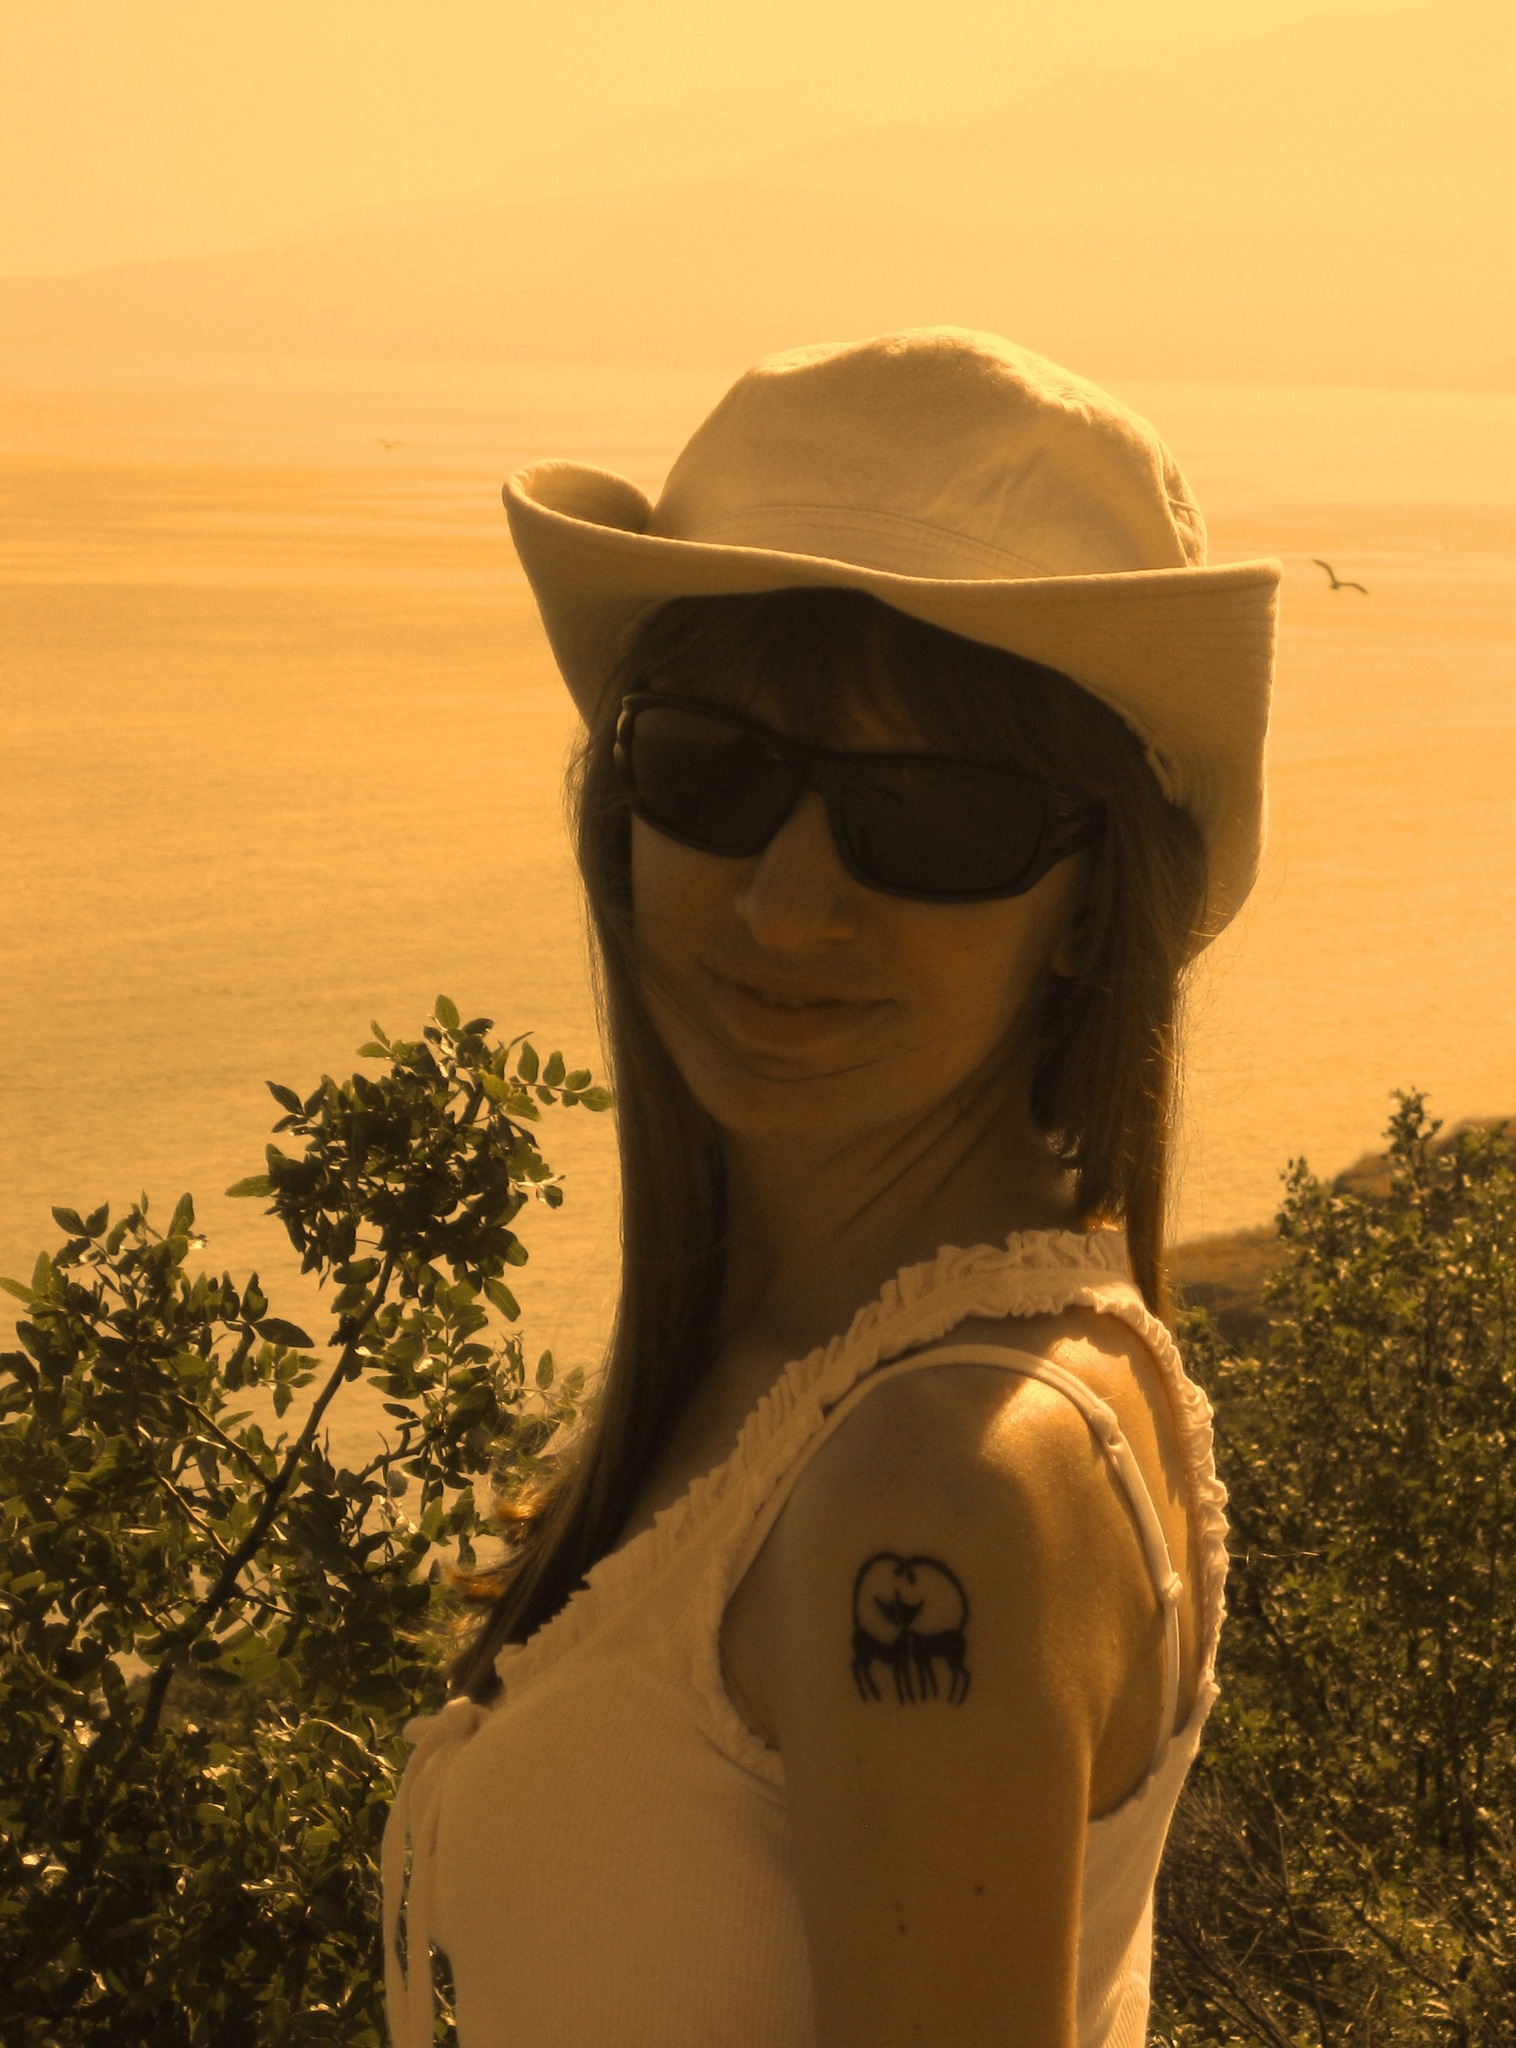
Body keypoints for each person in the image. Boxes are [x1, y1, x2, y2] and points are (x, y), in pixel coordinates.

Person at [379, 326, 1280, 2048]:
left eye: (931, 816)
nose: (787, 905)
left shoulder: (930, 1487)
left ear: (1090, 904)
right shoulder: (826, 1390)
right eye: (711, 770)